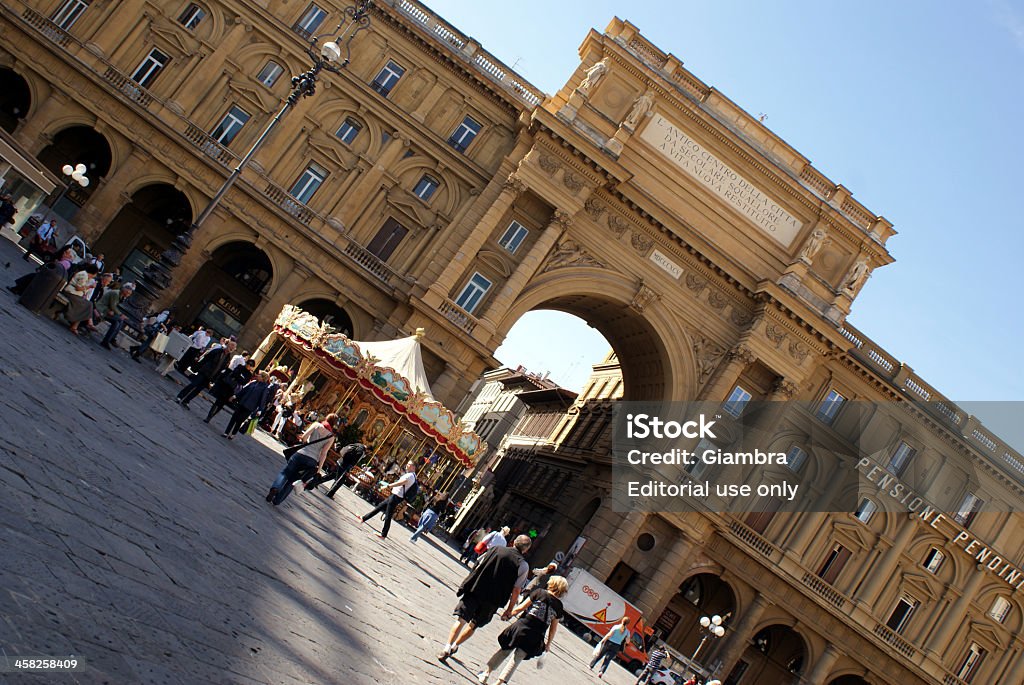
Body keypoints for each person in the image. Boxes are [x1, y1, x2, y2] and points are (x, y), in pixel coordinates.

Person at [439, 535, 532, 662]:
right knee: (473, 625)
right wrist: (509, 609)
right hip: (493, 600)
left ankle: (447, 646)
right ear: (526, 550)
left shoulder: (496, 549)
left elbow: (478, 564)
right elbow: (516, 590)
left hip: (477, 589)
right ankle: (455, 646)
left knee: (461, 619)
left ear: (514, 542)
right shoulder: (523, 565)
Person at [476, 575, 567, 684]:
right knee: (516, 660)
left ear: (552, 584)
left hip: (523, 626)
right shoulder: (559, 607)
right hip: (536, 635)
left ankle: (486, 674)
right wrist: (548, 644)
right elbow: (553, 628)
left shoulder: (539, 593)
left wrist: (509, 614)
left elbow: (521, 607)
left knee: (504, 650)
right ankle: (499, 683)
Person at [266, 413, 339, 506]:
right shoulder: (331, 437)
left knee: (285, 472)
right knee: (294, 480)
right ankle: (277, 500)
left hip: (301, 453)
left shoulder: (316, 425)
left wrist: (307, 442)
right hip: (312, 460)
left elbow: (304, 437)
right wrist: (319, 469)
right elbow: (323, 453)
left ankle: (275, 488)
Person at [358, 461, 417, 539]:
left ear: (413, 467)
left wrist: (388, 486)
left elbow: (400, 483)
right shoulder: (412, 475)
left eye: (409, 464)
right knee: (379, 507)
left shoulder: (410, 476)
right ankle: (364, 518)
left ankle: (384, 534)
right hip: (396, 495)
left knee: (388, 515)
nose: (406, 465)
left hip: (397, 496)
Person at [174, 340, 233, 409]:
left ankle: (186, 401)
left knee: (198, 390)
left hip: (210, 376)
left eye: (233, 349)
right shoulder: (217, 351)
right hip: (204, 372)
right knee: (193, 384)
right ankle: (180, 397)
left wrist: (214, 379)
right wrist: (197, 368)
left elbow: (221, 369)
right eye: (231, 348)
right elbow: (205, 359)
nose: (231, 350)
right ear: (228, 346)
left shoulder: (228, 358)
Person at [222, 371, 271, 439]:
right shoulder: (254, 382)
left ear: (263, 377)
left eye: (259, 375)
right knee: (234, 418)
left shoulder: (265, 388)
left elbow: (263, 399)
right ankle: (226, 432)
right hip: (242, 403)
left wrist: (260, 410)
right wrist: (235, 396)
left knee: (239, 420)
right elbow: (244, 390)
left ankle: (233, 434)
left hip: (249, 407)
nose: (257, 375)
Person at [203, 359, 255, 423]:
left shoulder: (249, 375)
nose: (248, 365)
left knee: (222, 404)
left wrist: (238, 377)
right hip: (226, 386)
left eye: (251, 365)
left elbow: (243, 382)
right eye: (248, 363)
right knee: (218, 401)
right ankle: (209, 416)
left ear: (252, 367)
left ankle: (212, 415)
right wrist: (240, 377)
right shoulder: (240, 366)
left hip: (232, 390)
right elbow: (234, 373)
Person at [63, 263, 99, 335]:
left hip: (75, 294)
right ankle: (87, 323)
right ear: (94, 273)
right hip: (71, 293)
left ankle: (76, 326)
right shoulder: (84, 275)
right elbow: (78, 288)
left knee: (87, 305)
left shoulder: (85, 275)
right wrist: (90, 286)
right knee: (88, 305)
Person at [98, 282, 135, 349]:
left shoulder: (120, 295)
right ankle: (111, 339)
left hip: (108, 310)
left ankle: (108, 339)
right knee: (120, 319)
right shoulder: (115, 293)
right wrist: (121, 314)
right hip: (102, 309)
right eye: (128, 293)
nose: (128, 295)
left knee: (117, 322)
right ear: (125, 291)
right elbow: (113, 306)